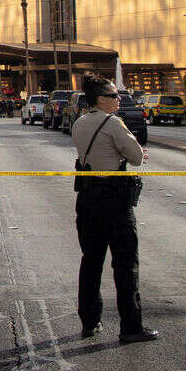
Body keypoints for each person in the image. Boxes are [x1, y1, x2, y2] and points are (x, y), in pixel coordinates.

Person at [71, 75, 157, 344]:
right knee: (125, 264)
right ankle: (131, 327)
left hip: (86, 198)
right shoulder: (113, 123)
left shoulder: (80, 122)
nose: (118, 98)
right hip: (113, 200)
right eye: (113, 95)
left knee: (91, 261)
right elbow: (136, 157)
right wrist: (136, 152)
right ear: (100, 99)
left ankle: (90, 321)